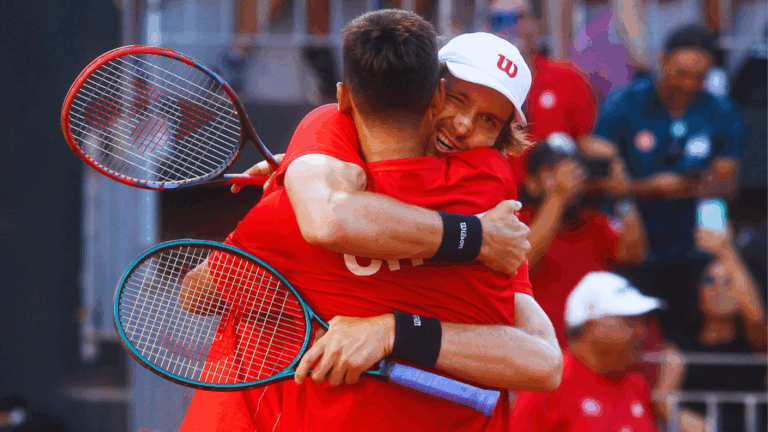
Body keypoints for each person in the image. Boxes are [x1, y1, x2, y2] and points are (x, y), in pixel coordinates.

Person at [179, 13, 562, 432]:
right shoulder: (490, 211)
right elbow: (329, 216)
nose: (464, 125)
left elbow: (544, 364)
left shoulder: (314, 162)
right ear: (432, 93)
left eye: (489, 121)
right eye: (458, 99)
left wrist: (393, 331)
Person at [591, 25, 745, 344]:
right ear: (662, 62)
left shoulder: (720, 109)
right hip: (634, 246)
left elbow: (727, 182)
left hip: (695, 250)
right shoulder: (624, 104)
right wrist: (653, 189)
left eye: (699, 76)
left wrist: (649, 186)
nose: (689, 84)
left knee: (691, 340)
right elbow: (600, 180)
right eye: (682, 73)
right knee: (637, 339)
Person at [510, 271, 710, 432]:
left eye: (643, 322)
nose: (642, 331)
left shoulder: (635, 384)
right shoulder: (548, 383)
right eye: (630, 321)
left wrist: (664, 399)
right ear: (590, 326)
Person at [517, 133, 648, 346]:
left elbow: (634, 254)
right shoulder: (520, 220)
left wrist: (623, 197)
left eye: (573, 168)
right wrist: (558, 196)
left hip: (590, 353)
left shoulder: (594, 221)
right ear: (532, 183)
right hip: (539, 347)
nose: (567, 177)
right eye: (552, 170)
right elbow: (523, 262)